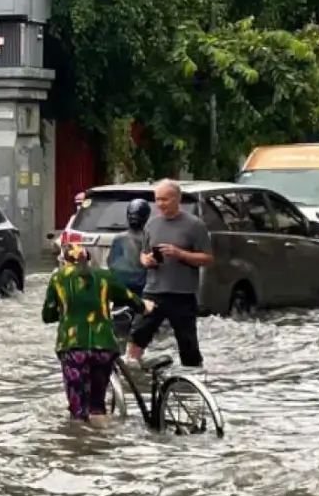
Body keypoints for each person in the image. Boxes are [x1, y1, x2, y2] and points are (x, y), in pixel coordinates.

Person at [42, 243, 151, 425]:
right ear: (89, 258)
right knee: (98, 407)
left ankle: (82, 446)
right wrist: (145, 306)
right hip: (104, 347)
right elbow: (130, 298)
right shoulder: (104, 276)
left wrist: (65, 310)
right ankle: (102, 446)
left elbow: (48, 315)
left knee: (78, 412)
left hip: (74, 349)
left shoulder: (58, 279)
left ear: (64, 260)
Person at [128, 180, 213, 369]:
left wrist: (180, 253)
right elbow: (143, 252)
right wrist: (145, 260)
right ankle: (130, 373)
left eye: (165, 199)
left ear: (178, 199)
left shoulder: (195, 225)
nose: (160, 204)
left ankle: (193, 383)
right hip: (153, 291)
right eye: (157, 199)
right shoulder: (151, 224)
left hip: (182, 293)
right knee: (138, 333)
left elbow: (207, 259)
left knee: (188, 344)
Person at [106, 198, 151, 294]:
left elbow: (110, 263)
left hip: (124, 287)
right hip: (138, 288)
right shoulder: (149, 237)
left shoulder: (119, 238)